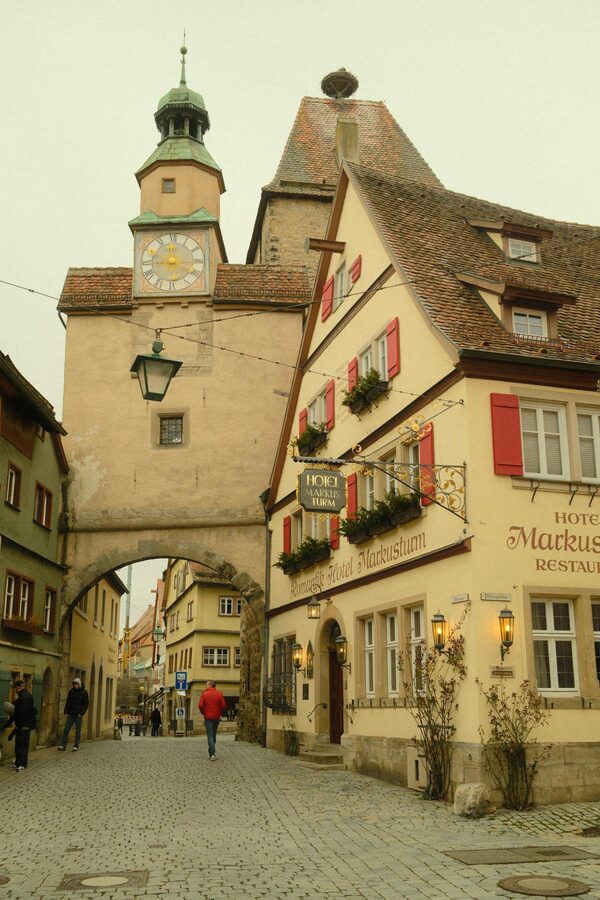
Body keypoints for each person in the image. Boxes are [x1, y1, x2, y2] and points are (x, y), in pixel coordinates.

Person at [5, 680, 36, 771]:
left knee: (23, 745)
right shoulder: (21, 696)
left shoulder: (25, 697)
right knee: (18, 745)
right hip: (20, 725)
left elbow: (24, 713)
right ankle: (18, 763)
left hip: (25, 725)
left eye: (16, 688)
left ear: (19, 687)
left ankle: (22, 764)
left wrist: (19, 723)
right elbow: (16, 712)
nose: (15, 689)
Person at [57, 677, 89, 752]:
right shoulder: (71, 691)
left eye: (77, 684)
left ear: (79, 684)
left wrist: (81, 713)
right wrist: (66, 711)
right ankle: (63, 745)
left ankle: (76, 745)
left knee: (77, 730)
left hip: (78, 714)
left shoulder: (84, 692)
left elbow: (86, 703)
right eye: (74, 684)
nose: (75, 686)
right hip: (71, 713)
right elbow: (68, 701)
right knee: (66, 729)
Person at [198, 680, 226, 760]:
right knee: (213, 734)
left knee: (210, 735)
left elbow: (200, 705)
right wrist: (219, 712)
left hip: (208, 717)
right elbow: (223, 705)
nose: (205, 686)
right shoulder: (219, 694)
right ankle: (212, 751)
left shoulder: (205, 694)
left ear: (210, 685)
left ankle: (212, 753)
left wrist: (203, 712)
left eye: (206, 685)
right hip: (216, 717)